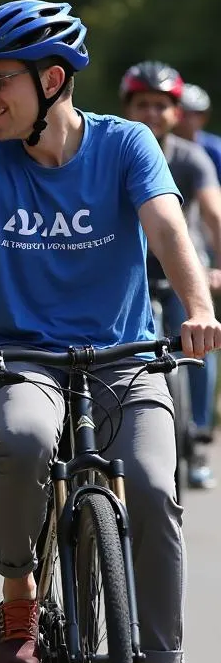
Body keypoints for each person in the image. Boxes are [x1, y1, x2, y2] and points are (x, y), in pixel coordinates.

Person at [0, 0, 218, 663]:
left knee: (154, 489)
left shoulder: (127, 145)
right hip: (19, 355)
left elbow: (164, 225)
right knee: (22, 440)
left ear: (52, 80)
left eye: (0, 82)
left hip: (125, 357)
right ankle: (20, 591)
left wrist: (197, 307)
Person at [120, 61, 221, 487]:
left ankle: (197, 431)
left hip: (186, 269)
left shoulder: (191, 158)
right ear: (127, 109)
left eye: (160, 106)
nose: (151, 114)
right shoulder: (117, 154)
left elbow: (214, 213)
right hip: (132, 276)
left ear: (176, 113)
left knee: (200, 342)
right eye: (142, 105)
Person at [175, 83, 221, 182]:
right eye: (181, 113)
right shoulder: (161, 145)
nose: (183, 119)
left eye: (194, 114)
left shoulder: (215, 149)